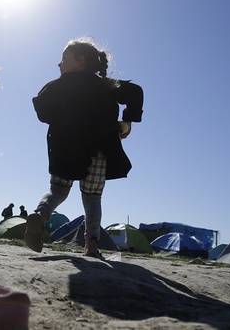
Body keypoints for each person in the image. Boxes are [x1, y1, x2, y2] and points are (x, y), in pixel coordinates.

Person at [24, 38, 144, 258]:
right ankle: (92, 246)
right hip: (97, 150)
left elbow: (42, 110)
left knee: (58, 191)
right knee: (92, 197)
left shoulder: (57, 85)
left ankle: (40, 216)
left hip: (65, 148)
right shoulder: (106, 85)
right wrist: (127, 122)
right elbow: (135, 92)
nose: (59, 64)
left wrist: (63, 116)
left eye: (64, 59)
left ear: (81, 61)